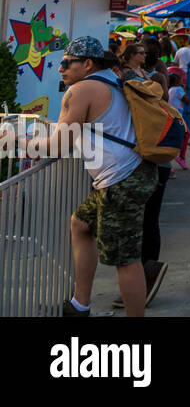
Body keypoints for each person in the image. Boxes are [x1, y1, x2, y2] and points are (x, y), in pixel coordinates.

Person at [0, 37, 161, 316]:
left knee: (126, 259)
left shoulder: (81, 89)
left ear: (87, 64)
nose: (60, 69)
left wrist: (16, 141)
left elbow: (58, 146)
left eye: (66, 63)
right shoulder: (112, 80)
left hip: (120, 180)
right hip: (133, 173)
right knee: (81, 223)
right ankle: (79, 304)